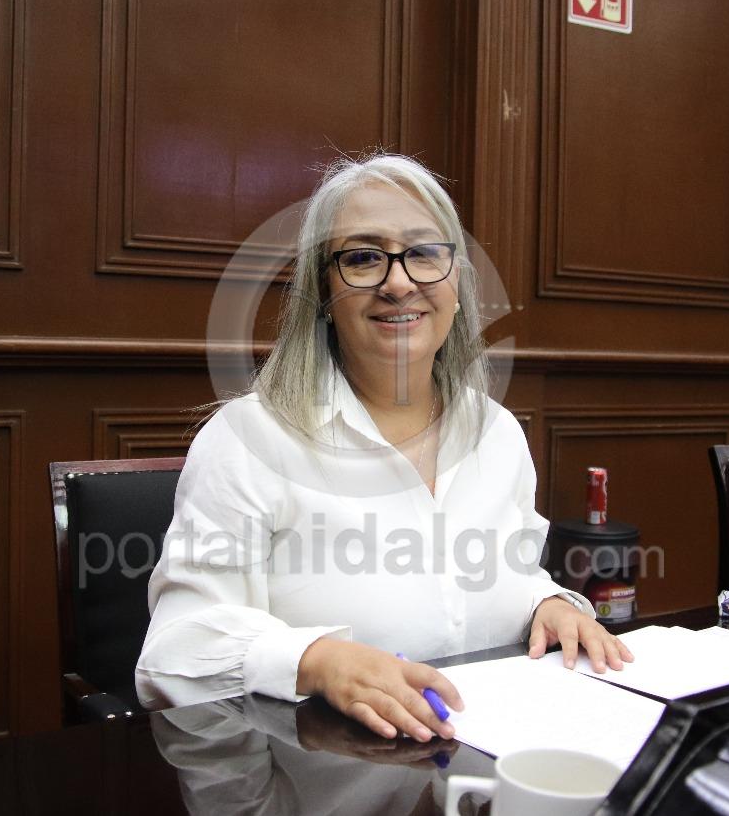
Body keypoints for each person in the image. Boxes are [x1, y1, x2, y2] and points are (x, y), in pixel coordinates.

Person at [136, 153, 632, 743]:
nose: (399, 282)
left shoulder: (498, 433)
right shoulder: (247, 441)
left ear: (456, 282)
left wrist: (546, 604)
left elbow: (507, 573)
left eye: (424, 252)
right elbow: (173, 652)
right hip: (323, 770)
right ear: (323, 291)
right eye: (363, 258)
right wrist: (317, 661)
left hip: (486, 766)